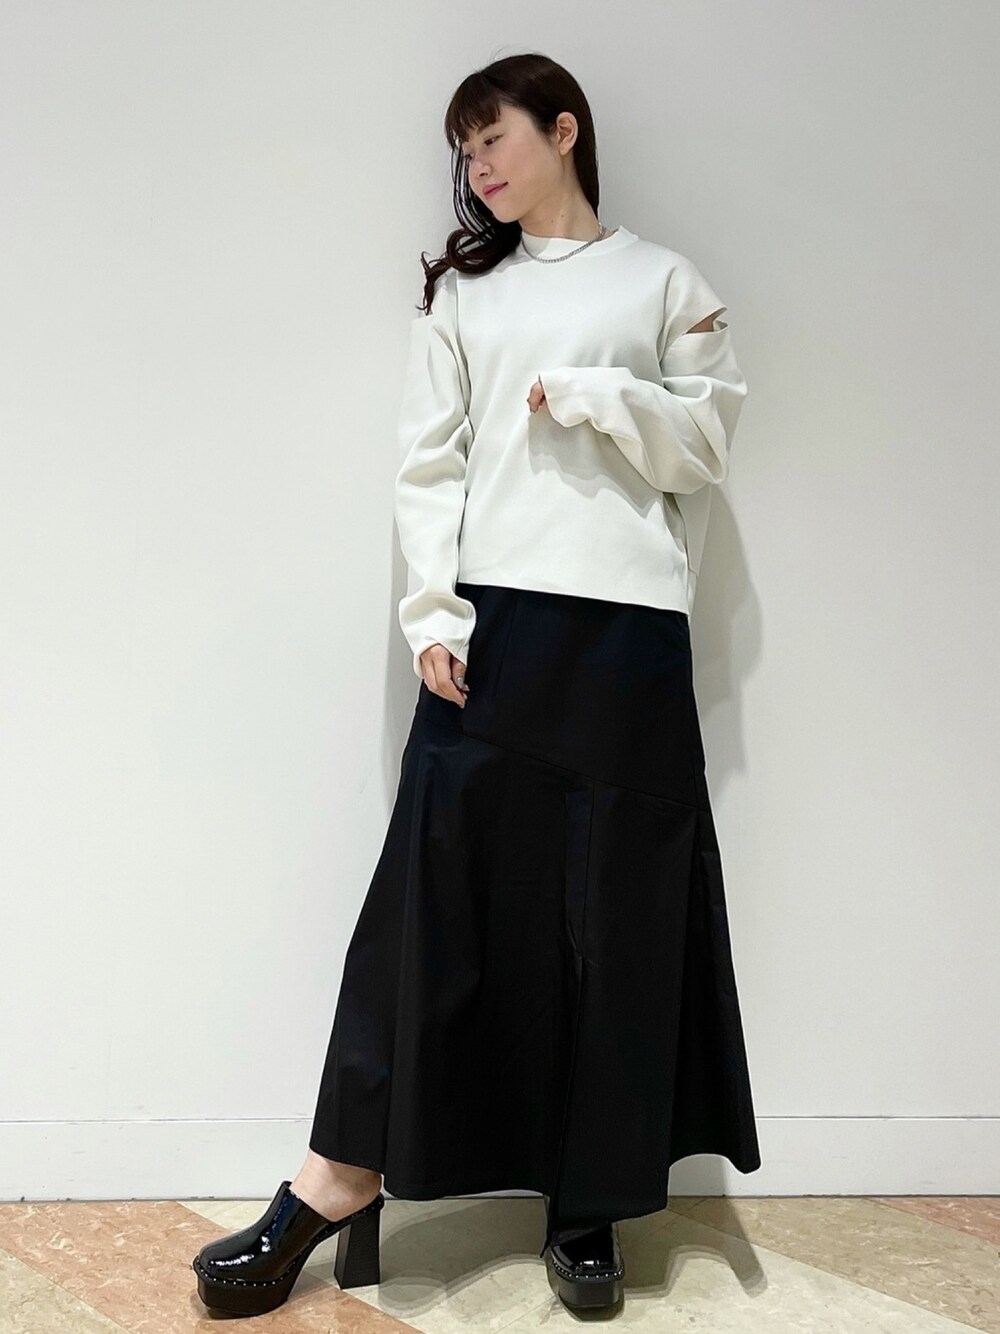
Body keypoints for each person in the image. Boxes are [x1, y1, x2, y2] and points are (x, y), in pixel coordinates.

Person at [192, 51, 761, 1319]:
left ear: (563, 129)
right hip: (494, 627)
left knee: (615, 916)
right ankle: (335, 1176)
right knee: (429, 903)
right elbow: (427, 465)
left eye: (492, 136)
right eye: (463, 149)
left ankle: (587, 1200)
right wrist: (432, 614)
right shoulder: (466, 295)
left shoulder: (664, 282)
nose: (476, 165)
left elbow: (704, 444)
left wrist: (600, 392)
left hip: (627, 634)